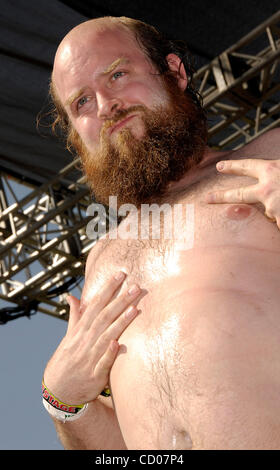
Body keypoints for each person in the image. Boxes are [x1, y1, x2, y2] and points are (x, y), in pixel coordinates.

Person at [43, 16, 280, 450]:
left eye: (117, 74)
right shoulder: (101, 262)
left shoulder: (272, 157)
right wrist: (65, 401)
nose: (105, 105)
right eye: (81, 103)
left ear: (175, 72)